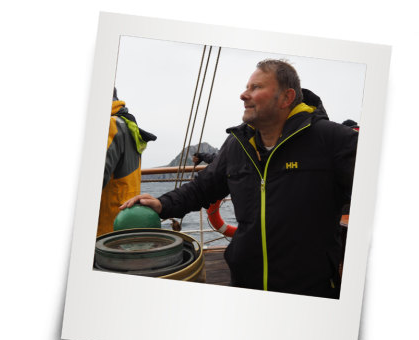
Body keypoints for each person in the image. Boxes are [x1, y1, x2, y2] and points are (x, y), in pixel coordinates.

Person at [121, 59, 357, 298]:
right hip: (245, 284)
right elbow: (203, 188)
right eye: (247, 87)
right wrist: (162, 204)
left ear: (286, 98)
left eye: (256, 87)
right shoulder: (237, 144)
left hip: (308, 292)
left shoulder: (333, 141)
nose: (244, 95)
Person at [97, 88, 156, 236]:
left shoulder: (110, 125)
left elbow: (93, 184)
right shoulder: (127, 124)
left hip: (104, 228)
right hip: (124, 219)